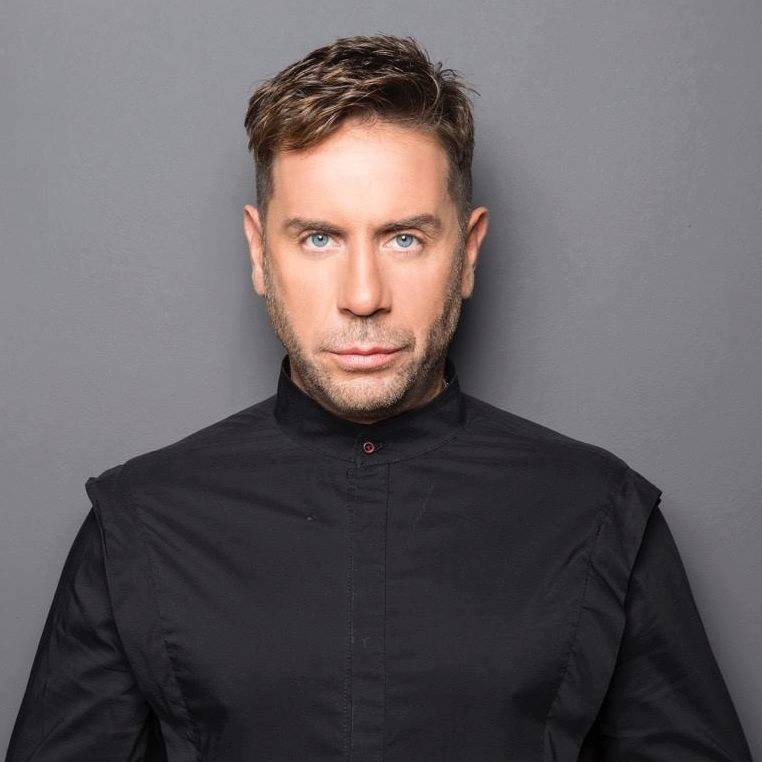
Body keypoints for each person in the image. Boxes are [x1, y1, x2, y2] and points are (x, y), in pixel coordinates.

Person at [6, 33, 753, 762]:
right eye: (319, 239)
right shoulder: (140, 521)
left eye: (404, 239)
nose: (363, 297)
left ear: (468, 251)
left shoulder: (600, 512)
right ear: (260, 252)